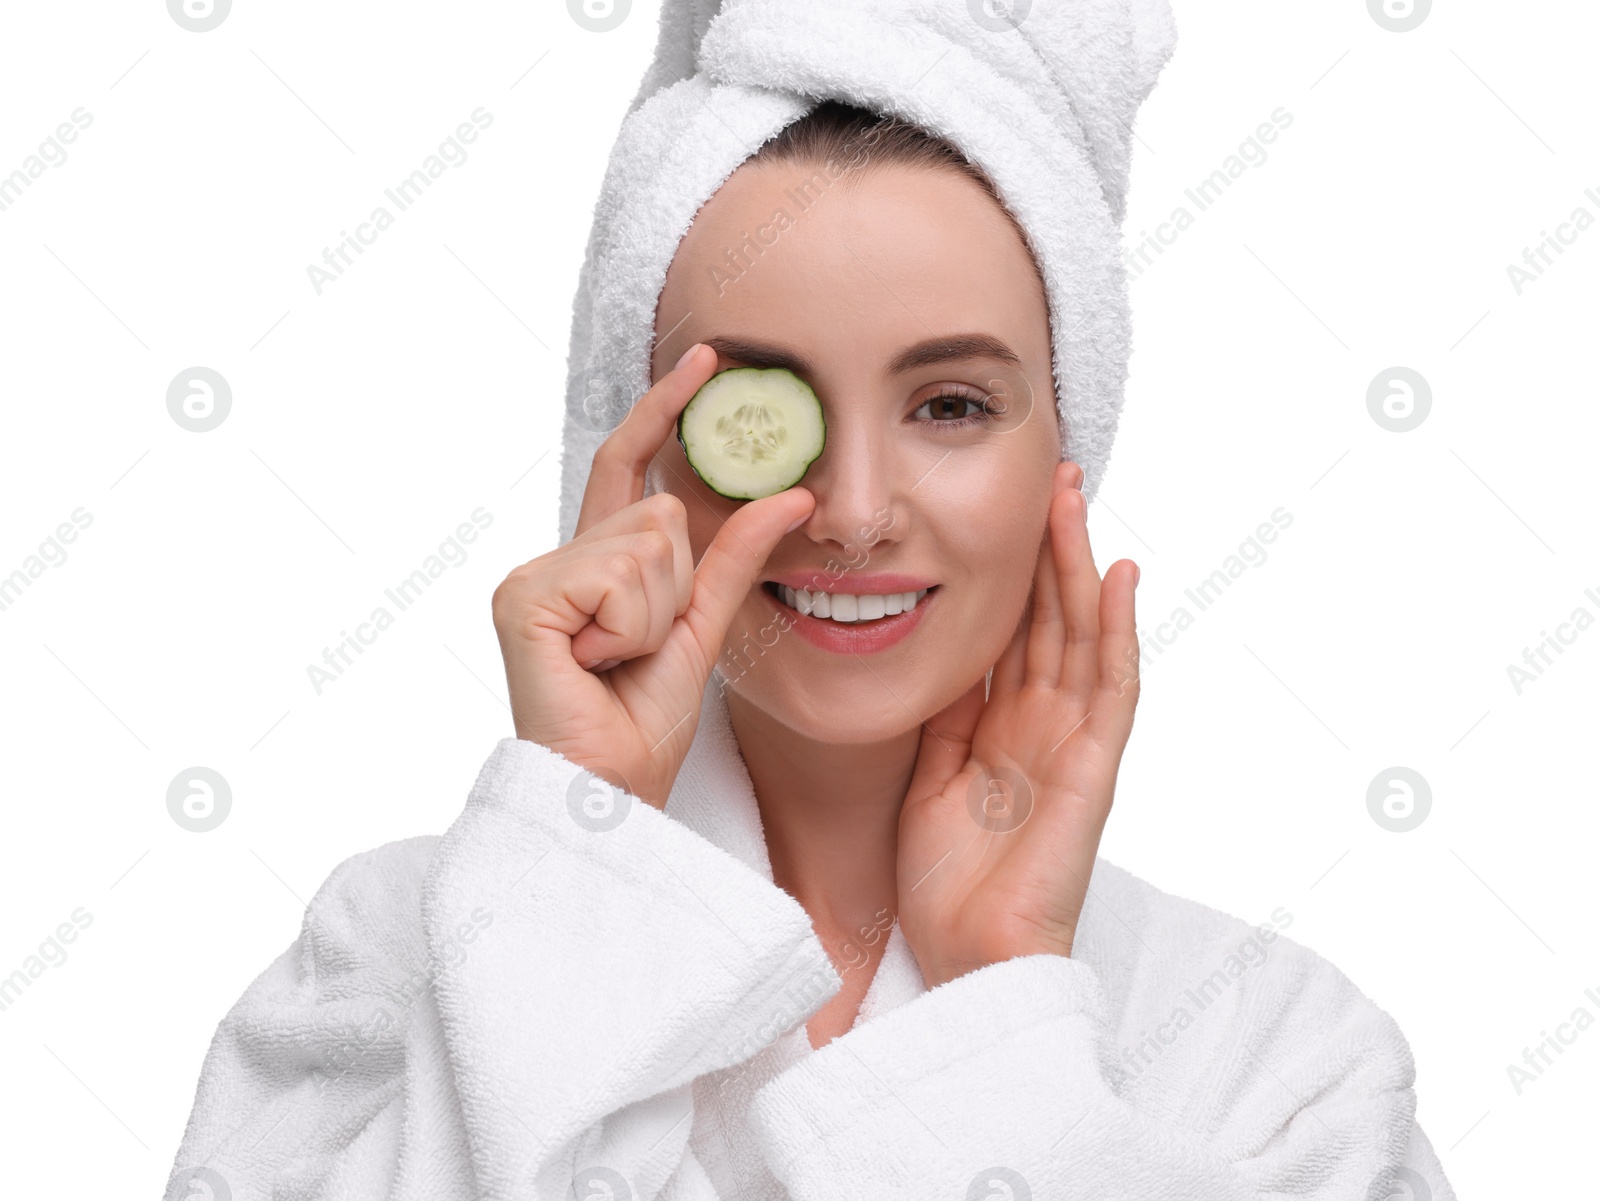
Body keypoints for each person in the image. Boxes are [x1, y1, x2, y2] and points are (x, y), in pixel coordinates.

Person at [165, 18, 1458, 1201]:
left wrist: (999, 1002)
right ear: (647, 447)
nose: (850, 508)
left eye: (949, 404)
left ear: (1070, 449)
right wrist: (583, 859)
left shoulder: (1288, 1067)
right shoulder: (385, 966)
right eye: (761, 409)